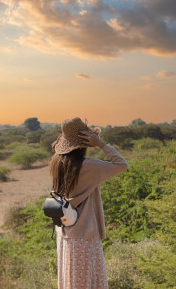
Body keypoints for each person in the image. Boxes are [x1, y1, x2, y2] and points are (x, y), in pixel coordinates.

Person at [49, 117, 128, 289]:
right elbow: (122, 165)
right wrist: (101, 144)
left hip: (64, 232)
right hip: (83, 236)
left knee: (71, 282)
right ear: (84, 144)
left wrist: (57, 152)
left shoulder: (57, 162)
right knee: (87, 282)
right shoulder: (89, 166)